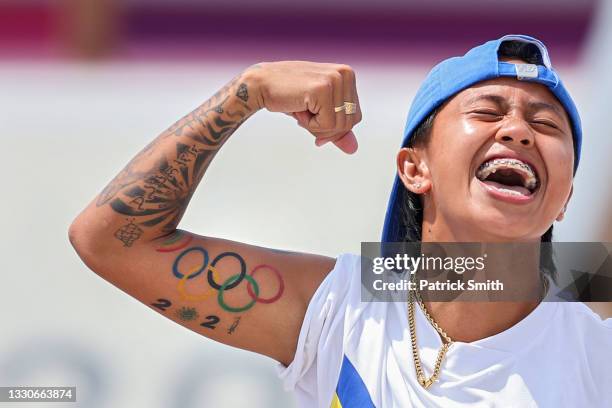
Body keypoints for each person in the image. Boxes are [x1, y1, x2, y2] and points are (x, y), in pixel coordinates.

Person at [68, 34, 612, 407]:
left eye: (545, 124)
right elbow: (110, 240)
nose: (518, 131)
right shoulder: (341, 307)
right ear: (413, 168)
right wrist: (246, 93)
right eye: (488, 112)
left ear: (564, 198)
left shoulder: (594, 339)